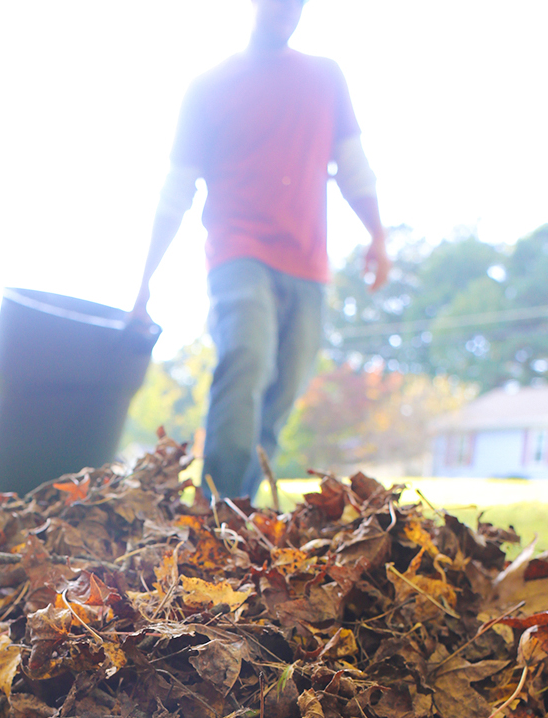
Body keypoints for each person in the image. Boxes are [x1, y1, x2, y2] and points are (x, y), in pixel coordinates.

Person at [130, 0, 391, 500]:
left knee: (280, 395)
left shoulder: (325, 77)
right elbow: (176, 190)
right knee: (247, 356)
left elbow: (352, 162)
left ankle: (241, 514)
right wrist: (145, 281)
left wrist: (378, 235)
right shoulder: (208, 86)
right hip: (238, 252)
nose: (288, 8)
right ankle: (213, 517)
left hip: (309, 264)